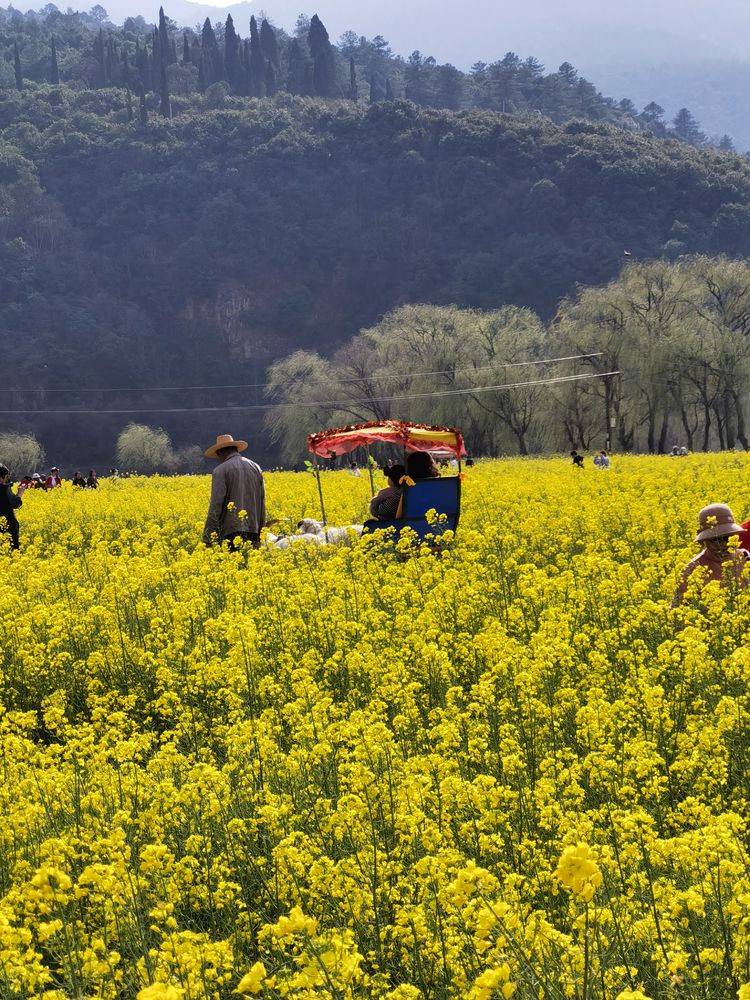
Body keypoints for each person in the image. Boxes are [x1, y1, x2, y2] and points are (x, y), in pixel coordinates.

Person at [673, 503, 749, 607]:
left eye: (727, 538)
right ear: (703, 541)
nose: (722, 544)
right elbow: (677, 611)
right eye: (714, 540)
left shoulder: (744, 557)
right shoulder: (692, 570)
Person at [202, 433, 265, 550]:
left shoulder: (221, 470)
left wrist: (208, 537)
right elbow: (262, 501)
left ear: (220, 452)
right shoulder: (256, 467)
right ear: (235, 449)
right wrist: (262, 531)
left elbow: (216, 505)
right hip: (254, 530)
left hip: (230, 532)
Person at [0, 465, 25, 551]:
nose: (7, 479)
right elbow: (15, 504)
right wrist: (20, 493)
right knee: (12, 549)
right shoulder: (4, 489)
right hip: (7, 526)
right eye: (6, 477)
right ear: (1, 477)